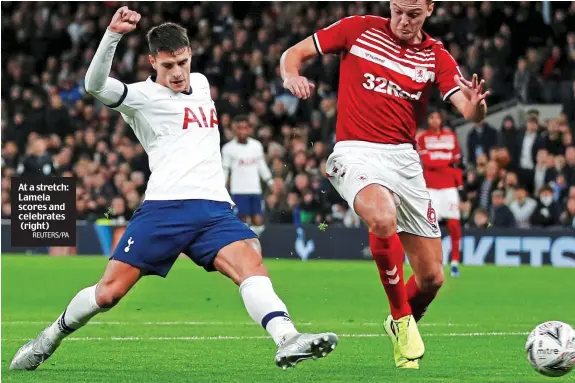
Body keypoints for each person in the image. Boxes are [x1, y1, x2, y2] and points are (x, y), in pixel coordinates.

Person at [10, 7, 337, 372]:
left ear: (190, 55)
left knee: (250, 263)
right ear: (152, 62)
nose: (178, 72)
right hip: (165, 209)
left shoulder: (201, 83)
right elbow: (95, 86)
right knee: (108, 293)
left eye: (182, 61)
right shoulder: (140, 98)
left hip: (214, 209)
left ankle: (287, 338)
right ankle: (49, 337)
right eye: (168, 66)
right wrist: (113, 35)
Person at [280, 0, 489, 369]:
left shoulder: (436, 56)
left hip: (404, 160)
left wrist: (477, 106)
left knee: (432, 278)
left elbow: (469, 111)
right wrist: (291, 75)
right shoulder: (357, 29)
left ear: (430, 10)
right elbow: (292, 53)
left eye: (413, 14)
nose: (403, 21)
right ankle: (402, 320)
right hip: (355, 152)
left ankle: (399, 321)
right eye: (397, 11)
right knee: (381, 216)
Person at [417, 110, 463, 277]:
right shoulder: (422, 138)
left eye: (436, 116)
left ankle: (455, 262)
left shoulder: (450, 137)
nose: (434, 119)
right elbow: (427, 162)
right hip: (430, 188)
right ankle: (433, 262)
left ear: (441, 119)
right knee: (430, 226)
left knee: (454, 225)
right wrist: (446, 158)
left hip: (449, 187)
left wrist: (438, 159)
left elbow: (457, 158)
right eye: (431, 116)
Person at [222, 115, 274, 236]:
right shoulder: (228, 148)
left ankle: (255, 245)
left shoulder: (256, 146)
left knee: (258, 221)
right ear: (234, 130)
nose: (242, 131)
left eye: (245, 128)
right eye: (239, 128)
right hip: (238, 190)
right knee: (241, 221)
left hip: (255, 189)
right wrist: (222, 188)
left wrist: (270, 182)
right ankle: (243, 248)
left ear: (250, 129)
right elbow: (225, 170)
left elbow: (262, 166)